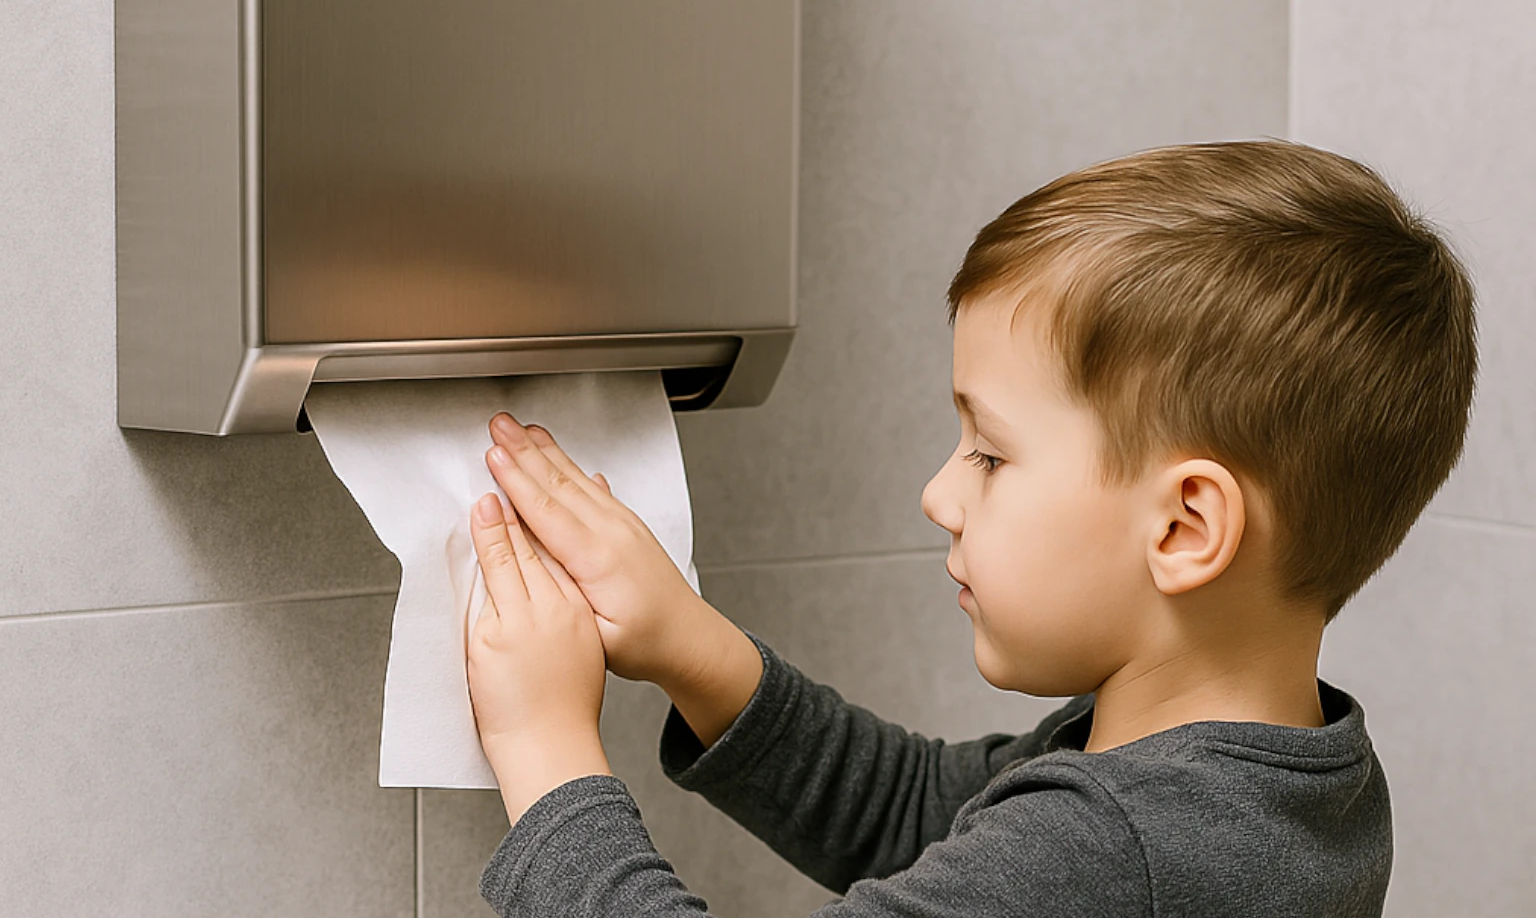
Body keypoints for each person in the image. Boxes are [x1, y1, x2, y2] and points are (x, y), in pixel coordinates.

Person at [459, 138, 1478, 917]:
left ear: (1183, 528)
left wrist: (544, 747)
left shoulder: (1113, 846)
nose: (940, 494)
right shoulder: (1278, 778)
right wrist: (693, 645)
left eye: (988, 454)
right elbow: (917, 818)